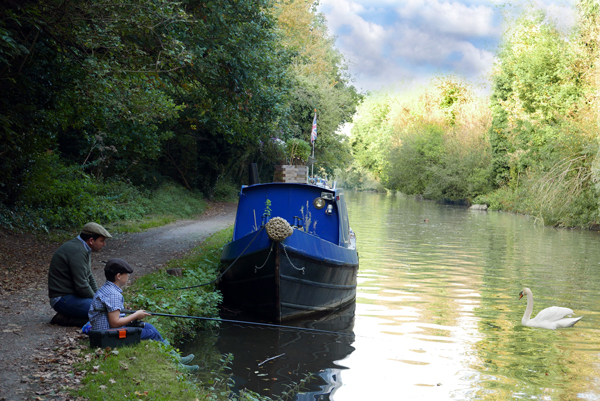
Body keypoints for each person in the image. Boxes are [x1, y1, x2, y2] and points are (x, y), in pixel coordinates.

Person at [88, 258, 198, 372]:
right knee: (151, 333)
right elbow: (114, 323)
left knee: (149, 327)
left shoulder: (106, 288)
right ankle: (179, 367)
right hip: (107, 336)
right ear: (119, 276)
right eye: (126, 274)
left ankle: (177, 358)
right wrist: (135, 315)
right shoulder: (113, 294)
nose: (128, 277)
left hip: (103, 332)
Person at [48, 222, 111, 327]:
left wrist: (98, 297)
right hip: (62, 299)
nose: (104, 244)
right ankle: (65, 319)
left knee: (106, 310)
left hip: (72, 296)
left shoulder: (84, 248)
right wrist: (98, 302)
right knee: (104, 313)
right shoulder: (77, 250)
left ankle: (70, 315)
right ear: (91, 240)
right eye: (102, 241)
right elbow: (81, 285)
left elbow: (89, 276)